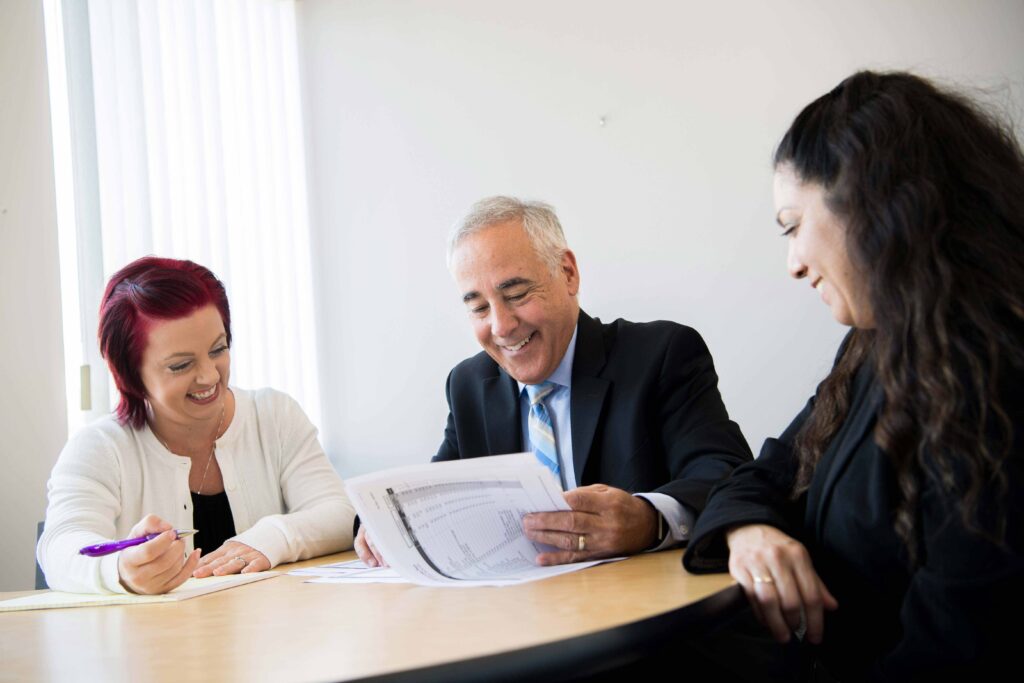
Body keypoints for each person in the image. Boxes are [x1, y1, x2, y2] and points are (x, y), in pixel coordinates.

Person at [684, 71, 1024, 680]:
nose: (792, 264)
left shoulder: (994, 379)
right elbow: (763, 471)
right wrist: (752, 530)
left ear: (873, 202)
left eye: (792, 225)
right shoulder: (870, 348)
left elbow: (954, 654)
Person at [356, 196, 752, 567]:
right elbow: (433, 499)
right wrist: (381, 527)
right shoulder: (470, 385)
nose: (501, 326)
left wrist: (650, 520)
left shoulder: (661, 354)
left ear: (567, 273)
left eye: (516, 293)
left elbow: (727, 476)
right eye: (478, 307)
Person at [38, 256, 355, 594]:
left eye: (218, 349)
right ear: (131, 374)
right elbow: (60, 549)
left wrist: (271, 538)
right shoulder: (101, 447)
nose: (209, 376)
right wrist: (120, 570)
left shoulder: (274, 415)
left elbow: (339, 514)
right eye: (181, 365)